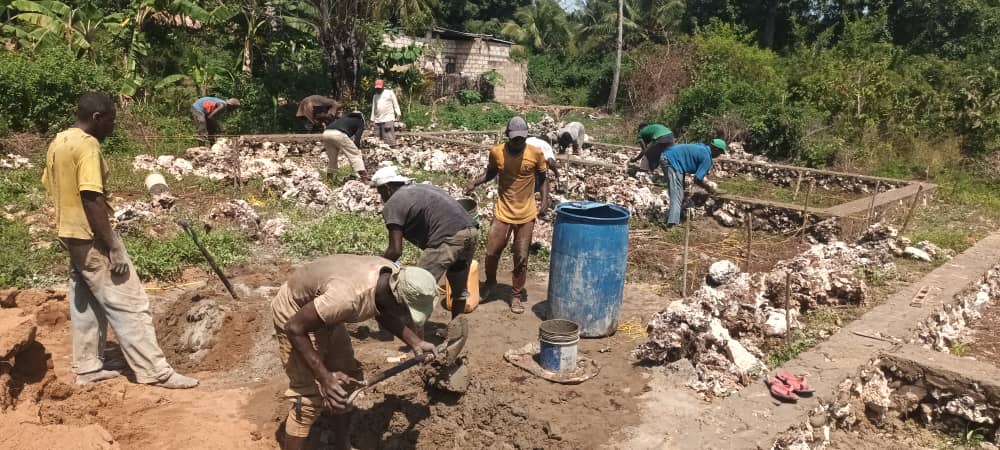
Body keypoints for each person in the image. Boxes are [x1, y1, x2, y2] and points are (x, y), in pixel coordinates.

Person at [41, 93, 198, 389]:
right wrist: (113, 245)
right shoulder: (87, 145)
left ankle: (87, 367)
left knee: (87, 304)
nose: (113, 126)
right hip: (91, 237)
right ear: (97, 117)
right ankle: (155, 371)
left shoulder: (59, 141)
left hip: (69, 234)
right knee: (130, 302)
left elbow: (50, 185)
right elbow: (91, 197)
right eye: (111, 120)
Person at [271, 255, 438, 450]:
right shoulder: (346, 299)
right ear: (395, 298)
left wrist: (415, 342)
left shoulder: (391, 279)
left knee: (347, 380)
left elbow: (382, 308)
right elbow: (294, 328)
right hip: (294, 312)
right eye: (406, 312)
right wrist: (325, 378)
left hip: (324, 311)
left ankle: (342, 446)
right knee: (308, 399)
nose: (407, 318)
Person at [465, 117, 548, 314]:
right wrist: (475, 182)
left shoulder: (535, 153)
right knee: (492, 251)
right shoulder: (497, 152)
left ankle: (516, 294)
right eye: (514, 137)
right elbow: (491, 172)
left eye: (522, 137)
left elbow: (543, 179)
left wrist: (545, 201)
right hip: (503, 210)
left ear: (526, 135)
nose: (518, 141)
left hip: (526, 213)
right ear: (508, 136)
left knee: (521, 255)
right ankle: (490, 283)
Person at [374, 165, 479, 319]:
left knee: (416, 289)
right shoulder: (422, 188)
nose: (381, 197)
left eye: (380, 192)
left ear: (387, 188)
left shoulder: (394, 203)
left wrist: (375, 269)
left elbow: (395, 250)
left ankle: (414, 332)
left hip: (447, 238)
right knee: (459, 291)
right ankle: (457, 328)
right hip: (471, 232)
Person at [660, 138, 728, 227]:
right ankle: (672, 223)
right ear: (715, 149)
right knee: (676, 192)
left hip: (670, 157)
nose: (719, 155)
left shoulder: (702, 147)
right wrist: (708, 189)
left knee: (679, 192)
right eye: (719, 153)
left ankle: (675, 217)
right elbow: (697, 179)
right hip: (671, 161)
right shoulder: (707, 157)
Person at [322, 110, 368, 182]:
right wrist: (356, 149)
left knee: (332, 159)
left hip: (326, 133)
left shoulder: (343, 119)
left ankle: (329, 180)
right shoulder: (360, 121)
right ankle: (365, 179)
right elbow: (357, 138)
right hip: (339, 134)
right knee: (355, 155)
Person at [370, 79, 401, 146]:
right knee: (377, 140)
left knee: (389, 139)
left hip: (388, 118)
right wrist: (372, 119)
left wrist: (398, 114)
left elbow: (395, 104)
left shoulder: (389, 93)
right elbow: (374, 107)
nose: (378, 89)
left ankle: (392, 149)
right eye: (377, 88)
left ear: (383, 87)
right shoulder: (375, 96)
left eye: (379, 88)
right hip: (378, 120)